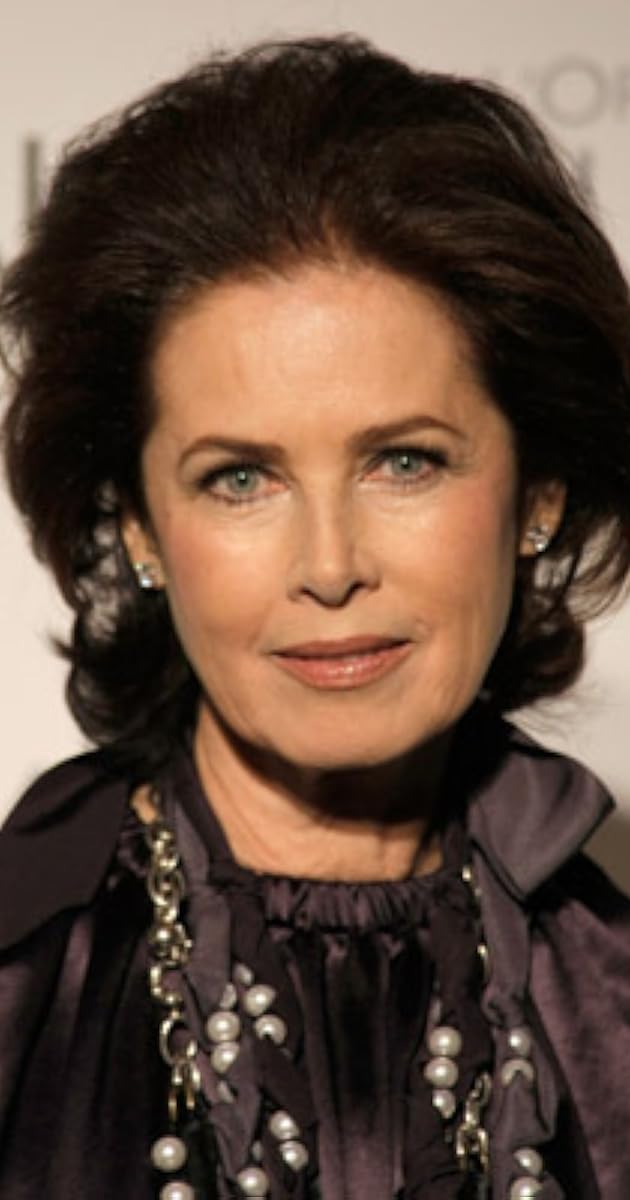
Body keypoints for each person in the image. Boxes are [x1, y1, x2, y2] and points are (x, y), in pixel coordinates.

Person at [1, 34, 630, 1200]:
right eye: (241, 478)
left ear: (539, 494)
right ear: (139, 528)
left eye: (405, 461)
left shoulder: (610, 991)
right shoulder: (26, 976)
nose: (330, 568)